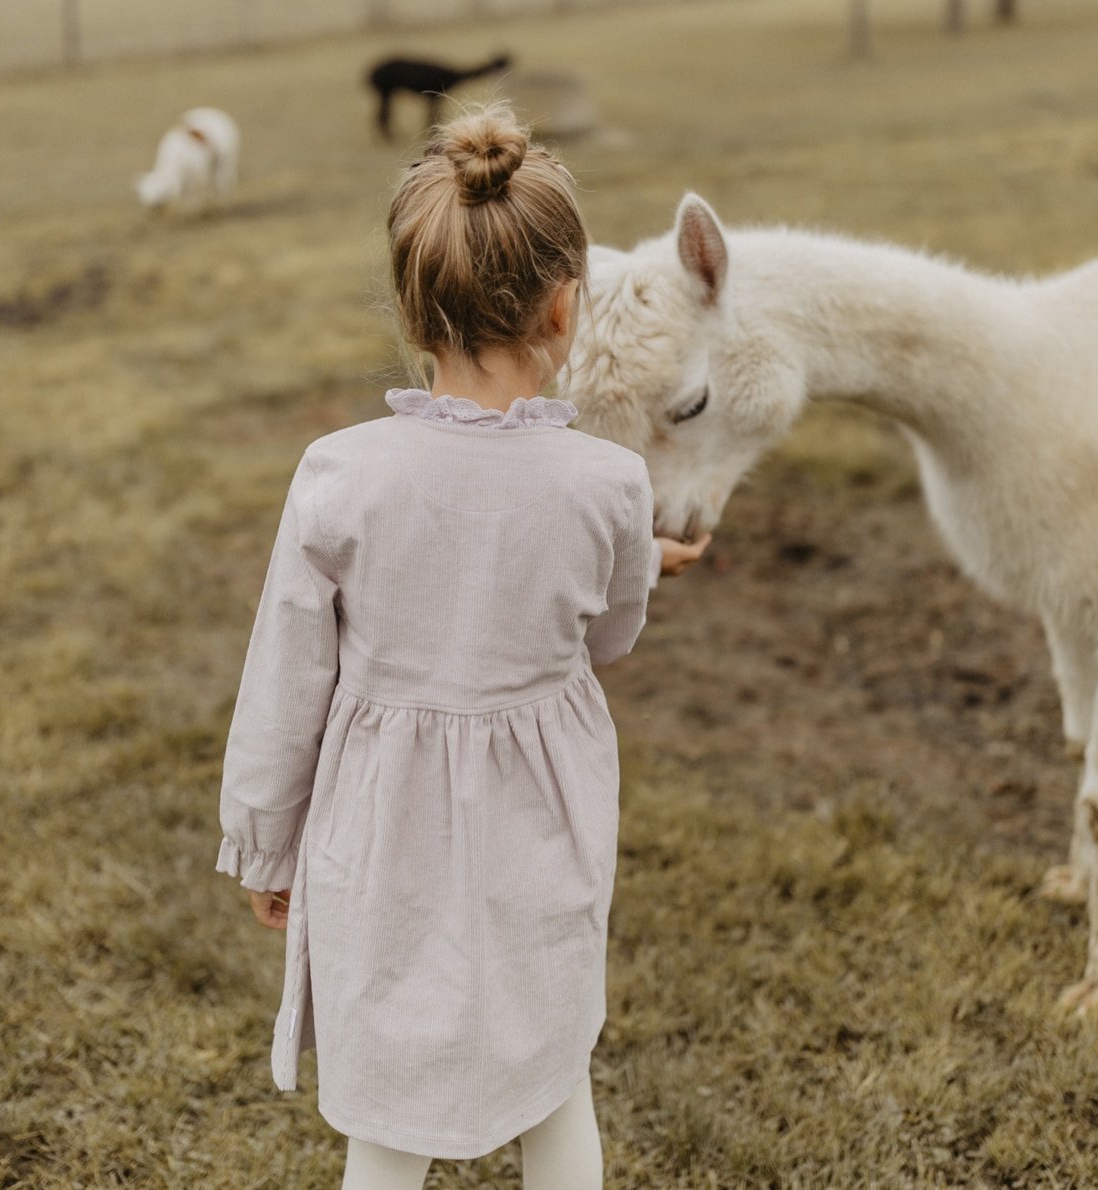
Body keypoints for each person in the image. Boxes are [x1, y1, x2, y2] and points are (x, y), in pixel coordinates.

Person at [216, 104, 710, 1190]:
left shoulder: (340, 473)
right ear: (563, 302)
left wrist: (264, 841)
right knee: (552, 1078)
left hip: (380, 828)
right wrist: (634, 559)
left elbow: (284, 674)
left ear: (412, 304)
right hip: (541, 820)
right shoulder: (608, 485)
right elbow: (611, 628)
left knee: (388, 1119)